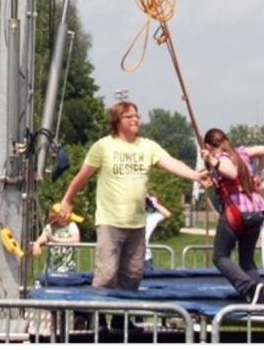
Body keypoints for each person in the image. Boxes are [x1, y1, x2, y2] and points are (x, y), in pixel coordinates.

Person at [56, 101, 213, 293]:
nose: (135, 119)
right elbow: (82, 177)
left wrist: (195, 175)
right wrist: (67, 199)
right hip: (110, 222)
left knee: (133, 275)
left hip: (137, 224)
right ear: (117, 121)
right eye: (129, 116)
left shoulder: (148, 147)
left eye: (136, 116)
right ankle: (99, 318)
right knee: (107, 274)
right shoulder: (103, 146)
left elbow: (171, 163)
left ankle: (122, 321)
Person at [203, 129, 264, 303]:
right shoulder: (241, 153)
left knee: (220, 256)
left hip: (237, 211)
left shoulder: (222, 158)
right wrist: (258, 173)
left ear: (208, 146)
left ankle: (249, 287)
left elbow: (232, 173)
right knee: (247, 260)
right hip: (256, 210)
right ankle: (257, 297)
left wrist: (211, 159)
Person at [31, 203, 82, 275]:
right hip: (51, 269)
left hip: (68, 269)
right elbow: (44, 237)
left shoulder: (71, 225)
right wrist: (37, 243)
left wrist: (54, 239)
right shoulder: (50, 227)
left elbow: (76, 240)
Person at [143, 191, 172, 268]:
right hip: (130, 258)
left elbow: (168, 214)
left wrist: (154, 204)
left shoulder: (152, 217)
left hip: (146, 258)